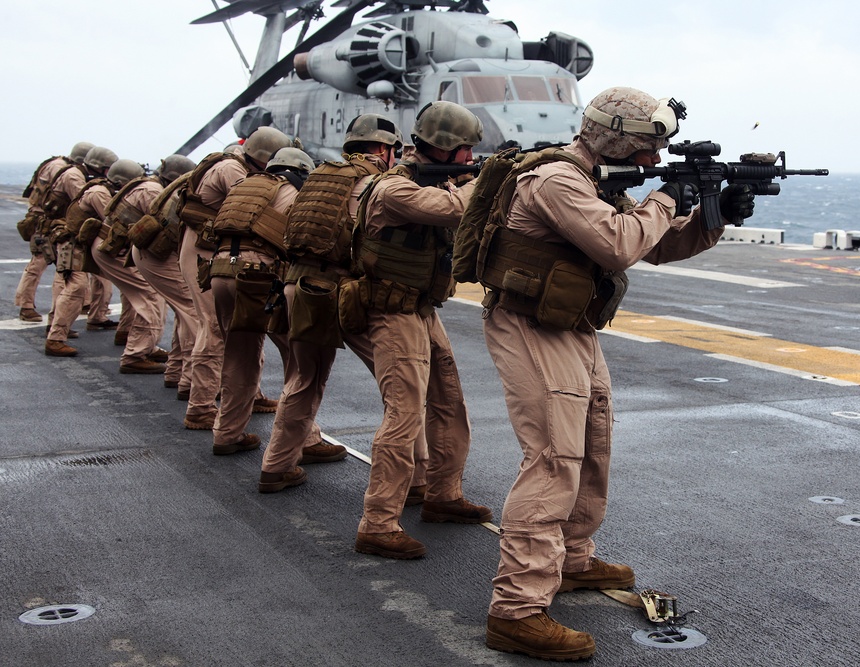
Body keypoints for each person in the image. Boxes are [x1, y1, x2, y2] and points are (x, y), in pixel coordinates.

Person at [479, 87, 754, 661]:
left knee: (592, 442)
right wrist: (664, 198)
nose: (655, 162)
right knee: (553, 458)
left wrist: (714, 216)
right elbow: (618, 244)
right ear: (616, 137)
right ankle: (517, 610)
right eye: (649, 148)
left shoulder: (595, 180)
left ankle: (573, 558)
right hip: (531, 325)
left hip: (570, 323)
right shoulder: (558, 180)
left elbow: (657, 247)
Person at [351, 101, 492, 559]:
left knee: (449, 398)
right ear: (445, 147)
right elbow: (453, 209)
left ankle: (442, 494)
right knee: (404, 413)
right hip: (391, 311)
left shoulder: (435, 180)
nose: (471, 158)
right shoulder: (393, 188)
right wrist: (488, 180)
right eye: (466, 149)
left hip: (421, 308)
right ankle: (378, 522)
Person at [259, 113, 418, 493]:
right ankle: (417, 483)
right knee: (403, 388)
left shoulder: (317, 176)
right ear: (383, 148)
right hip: (336, 291)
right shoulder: (372, 183)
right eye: (393, 150)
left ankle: (276, 466)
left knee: (304, 378)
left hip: (297, 284)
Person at [176, 126, 291, 430]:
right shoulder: (232, 169)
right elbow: (258, 207)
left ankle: (248, 396)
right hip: (203, 250)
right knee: (213, 327)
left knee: (233, 330)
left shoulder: (233, 163)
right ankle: (200, 406)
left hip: (213, 248)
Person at [206, 146, 313, 456]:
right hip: (258, 274)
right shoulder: (290, 190)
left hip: (220, 270)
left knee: (238, 353)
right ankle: (306, 439)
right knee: (297, 354)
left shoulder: (244, 185)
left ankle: (227, 434)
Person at [92, 159, 171, 374]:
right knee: (150, 295)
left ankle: (134, 337)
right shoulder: (153, 191)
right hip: (114, 249)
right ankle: (135, 355)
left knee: (138, 294)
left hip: (111, 246)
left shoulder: (146, 187)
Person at [130, 155, 199, 394]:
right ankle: (191, 381)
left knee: (185, 312)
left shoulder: (168, 188)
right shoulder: (183, 191)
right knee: (194, 313)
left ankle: (176, 371)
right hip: (159, 256)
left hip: (152, 253)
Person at [42, 146, 119, 357]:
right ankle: (56, 337)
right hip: (70, 239)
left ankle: (84, 322)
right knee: (75, 287)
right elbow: (106, 214)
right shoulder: (79, 180)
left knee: (79, 284)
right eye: (107, 169)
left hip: (77, 239)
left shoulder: (83, 177)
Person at [14, 142, 92, 323]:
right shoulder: (66, 170)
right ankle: (29, 308)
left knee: (40, 264)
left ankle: (27, 305)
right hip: (48, 221)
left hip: (40, 217)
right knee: (50, 264)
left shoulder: (55, 163)